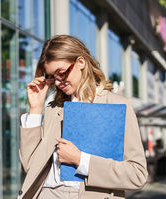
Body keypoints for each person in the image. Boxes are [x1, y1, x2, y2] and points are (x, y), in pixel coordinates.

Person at [19, 35, 148, 199]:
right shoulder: (54, 109)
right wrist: (36, 110)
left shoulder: (116, 105)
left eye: (62, 73)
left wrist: (81, 160)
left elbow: (137, 175)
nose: (58, 82)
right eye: (52, 76)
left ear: (81, 62)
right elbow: (31, 167)